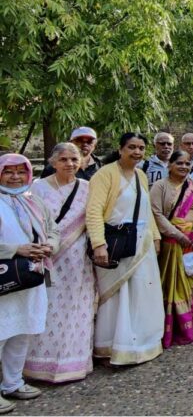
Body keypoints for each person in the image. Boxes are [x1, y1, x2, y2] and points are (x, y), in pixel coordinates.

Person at [86, 133, 164, 365]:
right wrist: (99, 244)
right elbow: (93, 211)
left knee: (142, 293)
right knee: (117, 297)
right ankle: (113, 346)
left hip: (143, 244)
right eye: (132, 147)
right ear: (121, 149)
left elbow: (146, 210)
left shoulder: (140, 174)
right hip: (116, 243)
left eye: (141, 148)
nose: (137, 152)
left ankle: (142, 344)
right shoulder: (105, 174)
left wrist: (156, 237)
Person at [25, 144, 94, 383]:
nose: (70, 164)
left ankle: (72, 364)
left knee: (76, 308)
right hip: (46, 256)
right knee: (46, 307)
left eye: (74, 159)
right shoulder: (37, 188)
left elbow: (94, 219)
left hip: (77, 259)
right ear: (53, 162)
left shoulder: (87, 188)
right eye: (63, 159)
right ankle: (37, 365)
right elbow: (30, 220)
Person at [0, 154, 58, 410]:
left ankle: (12, 383)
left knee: (22, 330)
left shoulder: (33, 200)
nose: (15, 177)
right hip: (5, 276)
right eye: (8, 172)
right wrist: (17, 249)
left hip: (31, 275)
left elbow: (53, 228)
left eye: (20, 172)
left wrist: (50, 245)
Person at [150, 150, 193, 347]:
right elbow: (156, 215)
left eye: (187, 164)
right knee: (175, 285)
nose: (184, 167)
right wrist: (178, 235)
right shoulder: (160, 186)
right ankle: (177, 327)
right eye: (179, 163)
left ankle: (192, 321)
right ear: (170, 165)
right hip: (174, 243)